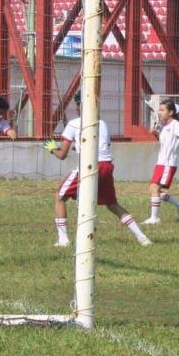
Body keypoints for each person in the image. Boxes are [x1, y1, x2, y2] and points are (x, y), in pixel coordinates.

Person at [44, 91, 152, 247]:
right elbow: (97, 145)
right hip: (107, 166)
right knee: (112, 204)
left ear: (79, 106)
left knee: (60, 197)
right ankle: (142, 237)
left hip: (89, 165)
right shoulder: (102, 123)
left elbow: (62, 155)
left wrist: (51, 148)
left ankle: (63, 240)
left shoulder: (73, 124)